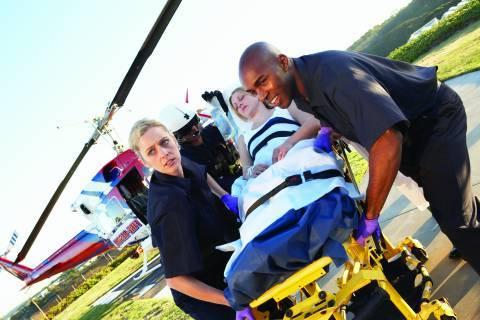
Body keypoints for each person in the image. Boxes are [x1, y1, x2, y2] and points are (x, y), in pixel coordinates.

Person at [238, 42, 480, 274]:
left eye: (262, 82)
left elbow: (387, 140)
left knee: (456, 221)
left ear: (282, 62)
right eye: (252, 91)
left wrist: (371, 215)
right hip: (413, 132)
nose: (260, 96)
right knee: (447, 203)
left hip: (435, 119)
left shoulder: (333, 76)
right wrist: (330, 129)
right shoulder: (301, 91)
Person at [128, 119, 243, 320]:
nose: (163, 153)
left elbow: (201, 174)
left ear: (174, 140)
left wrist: (224, 195)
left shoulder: (179, 162)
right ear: (145, 162)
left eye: (164, 142)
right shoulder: (168, 208)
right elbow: (176, 280)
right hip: (204, 292)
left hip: (222, 261)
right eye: (152, 152)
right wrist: (230, 301)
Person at [228, 87, 321, 180]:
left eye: (241, 98)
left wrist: (289, 143)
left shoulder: (284, 108)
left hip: (303, 164)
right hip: (269, 183)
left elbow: (315, 122)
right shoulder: (243, 137)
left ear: (254, 93)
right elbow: (246, 171)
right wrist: (252, 171)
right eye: (236, 107)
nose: (239, 105)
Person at [158, 104, 242, 193]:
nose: (194, 128)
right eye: (186, 129)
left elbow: (237, 126)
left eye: (195, 121)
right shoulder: (185, 161)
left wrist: (218, 108)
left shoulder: (213, 131)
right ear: (177, 137)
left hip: (245, 178)